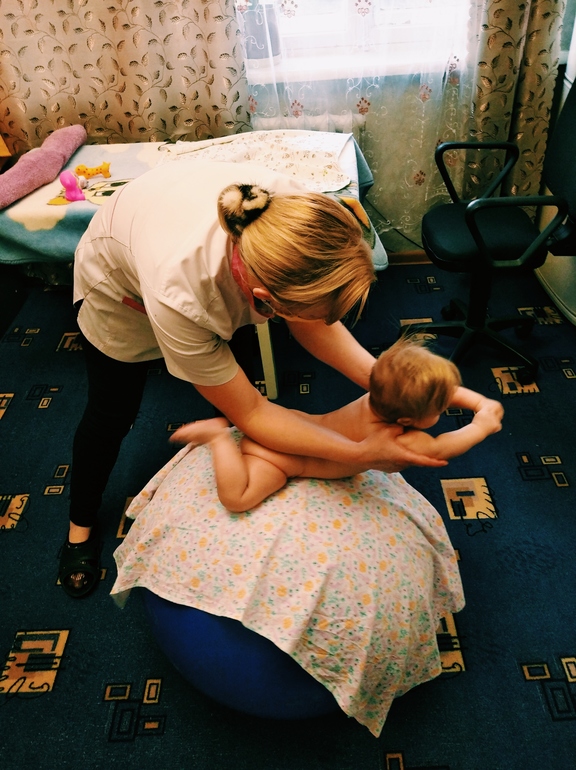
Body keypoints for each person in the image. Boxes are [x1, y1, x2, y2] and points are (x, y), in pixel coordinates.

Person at [58, 159, 449, 597]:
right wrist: (360, 452)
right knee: (112, 413)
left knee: (233, 387)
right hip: (121, 293)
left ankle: (222, 458)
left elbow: (312, 323)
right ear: (265, 298)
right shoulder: (180, 293)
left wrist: (385, 384)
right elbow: (254, 412)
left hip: (191, 241)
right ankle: (79, 529)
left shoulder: (297, 216)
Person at [178, 336, 504, 512]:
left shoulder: (380, 389)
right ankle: (218, 439)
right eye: (441, 409)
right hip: (281, 460)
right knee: (238, 499)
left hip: (291, 423)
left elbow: (433, 387)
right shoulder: (397, 437)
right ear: (407, 420)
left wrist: (479, 403)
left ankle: (225, 439)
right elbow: (442, 448)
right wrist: (481, 426)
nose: (445, 409)